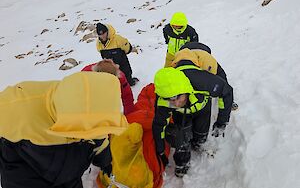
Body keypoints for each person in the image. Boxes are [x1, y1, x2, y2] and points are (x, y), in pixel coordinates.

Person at [0, 72, 128, 188]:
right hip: (26, 173)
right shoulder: (13, 106)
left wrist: (105, 161)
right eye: (80, 130)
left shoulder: (99, 112)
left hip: (70, 175)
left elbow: (99, 139)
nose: (89, 134)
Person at [152, 67, 233, 177]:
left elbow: (226, 91)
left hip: (202, 107)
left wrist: (221, 122)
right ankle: (182, 163)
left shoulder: (203, 82)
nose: (175, 103)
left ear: (184, 89)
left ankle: (198, 143)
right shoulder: (164, 100)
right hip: (181, 114)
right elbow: (159, 125)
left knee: (201, 133)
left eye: (177, 97)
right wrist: (161, 151)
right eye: (170, 99)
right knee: (181, 137)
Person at [178, 42, 238, 110]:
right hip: (184, 51)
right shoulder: (177, 67)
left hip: (202, 51)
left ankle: (230, 103)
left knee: (221, 77)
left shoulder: (207, 62)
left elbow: (220, 82)